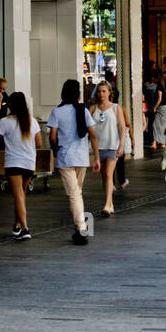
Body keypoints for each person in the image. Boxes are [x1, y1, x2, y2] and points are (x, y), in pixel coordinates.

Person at [48, 79, 101, 246]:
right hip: (81, 158)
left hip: (65, 158)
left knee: (74, 194)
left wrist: (55, 150)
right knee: (77, 192)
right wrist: (97, 158)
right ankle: (81, 227)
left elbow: (52, 137)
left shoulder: (57, 112)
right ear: (78, 94)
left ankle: (81, 228)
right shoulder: (83, 111)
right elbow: (93, 135)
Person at [0, 91, 41, 240]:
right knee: (21, 195)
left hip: (13, 162)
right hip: (29, 163)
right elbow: (39, 143)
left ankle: (25, 229)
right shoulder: (32, 121)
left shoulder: (5, 121)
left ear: (10, 105)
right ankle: (17, 225)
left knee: (18, 195)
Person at [90, 80, 132, 216]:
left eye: (104, 91)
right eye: (99, 91)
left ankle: (107, 204)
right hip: (98, 148)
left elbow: (122, 127)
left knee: (109, 174)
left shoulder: (116, 107)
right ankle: (110, 204)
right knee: (104, 176)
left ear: (109, 93)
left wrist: (121, 145)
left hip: (112, 146)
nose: (101, 94)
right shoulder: (93, 108)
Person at [143, 68, 164, 151]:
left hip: (153, 106)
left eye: (153, 77)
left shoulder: (153, 85)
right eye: (151, 77)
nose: (152, 78)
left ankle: (154, 141)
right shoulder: (147, 85)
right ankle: (154, 141)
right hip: (150, 106)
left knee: (153, 124)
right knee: (150, 124)